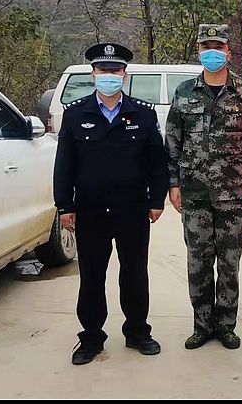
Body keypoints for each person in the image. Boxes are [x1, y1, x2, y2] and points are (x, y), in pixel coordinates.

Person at [53, 42, 168, 365]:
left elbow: (156, 163)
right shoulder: (76, 114)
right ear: (93, 74)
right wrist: (65, 206)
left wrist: (156, 200)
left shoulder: (142, 113)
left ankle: (137, 332)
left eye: (115, 70)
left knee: (134, 274)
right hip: (90, 211)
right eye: (103, 70)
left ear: (124, 75)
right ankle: (91, 337)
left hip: (132, 209)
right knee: (92, 276)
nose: (109, 75)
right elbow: (64, 165)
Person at [166, 24, 242, 351]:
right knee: (198, 263)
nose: (211, 52)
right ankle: (202, 325)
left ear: (229, 52)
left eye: (218, 47)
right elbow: (173, 141)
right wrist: (173, 183)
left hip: (233, 194)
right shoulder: (185, 92)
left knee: (229, 263)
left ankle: (226, 325)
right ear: (198, 52)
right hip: (195, 194)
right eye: (206, 47)